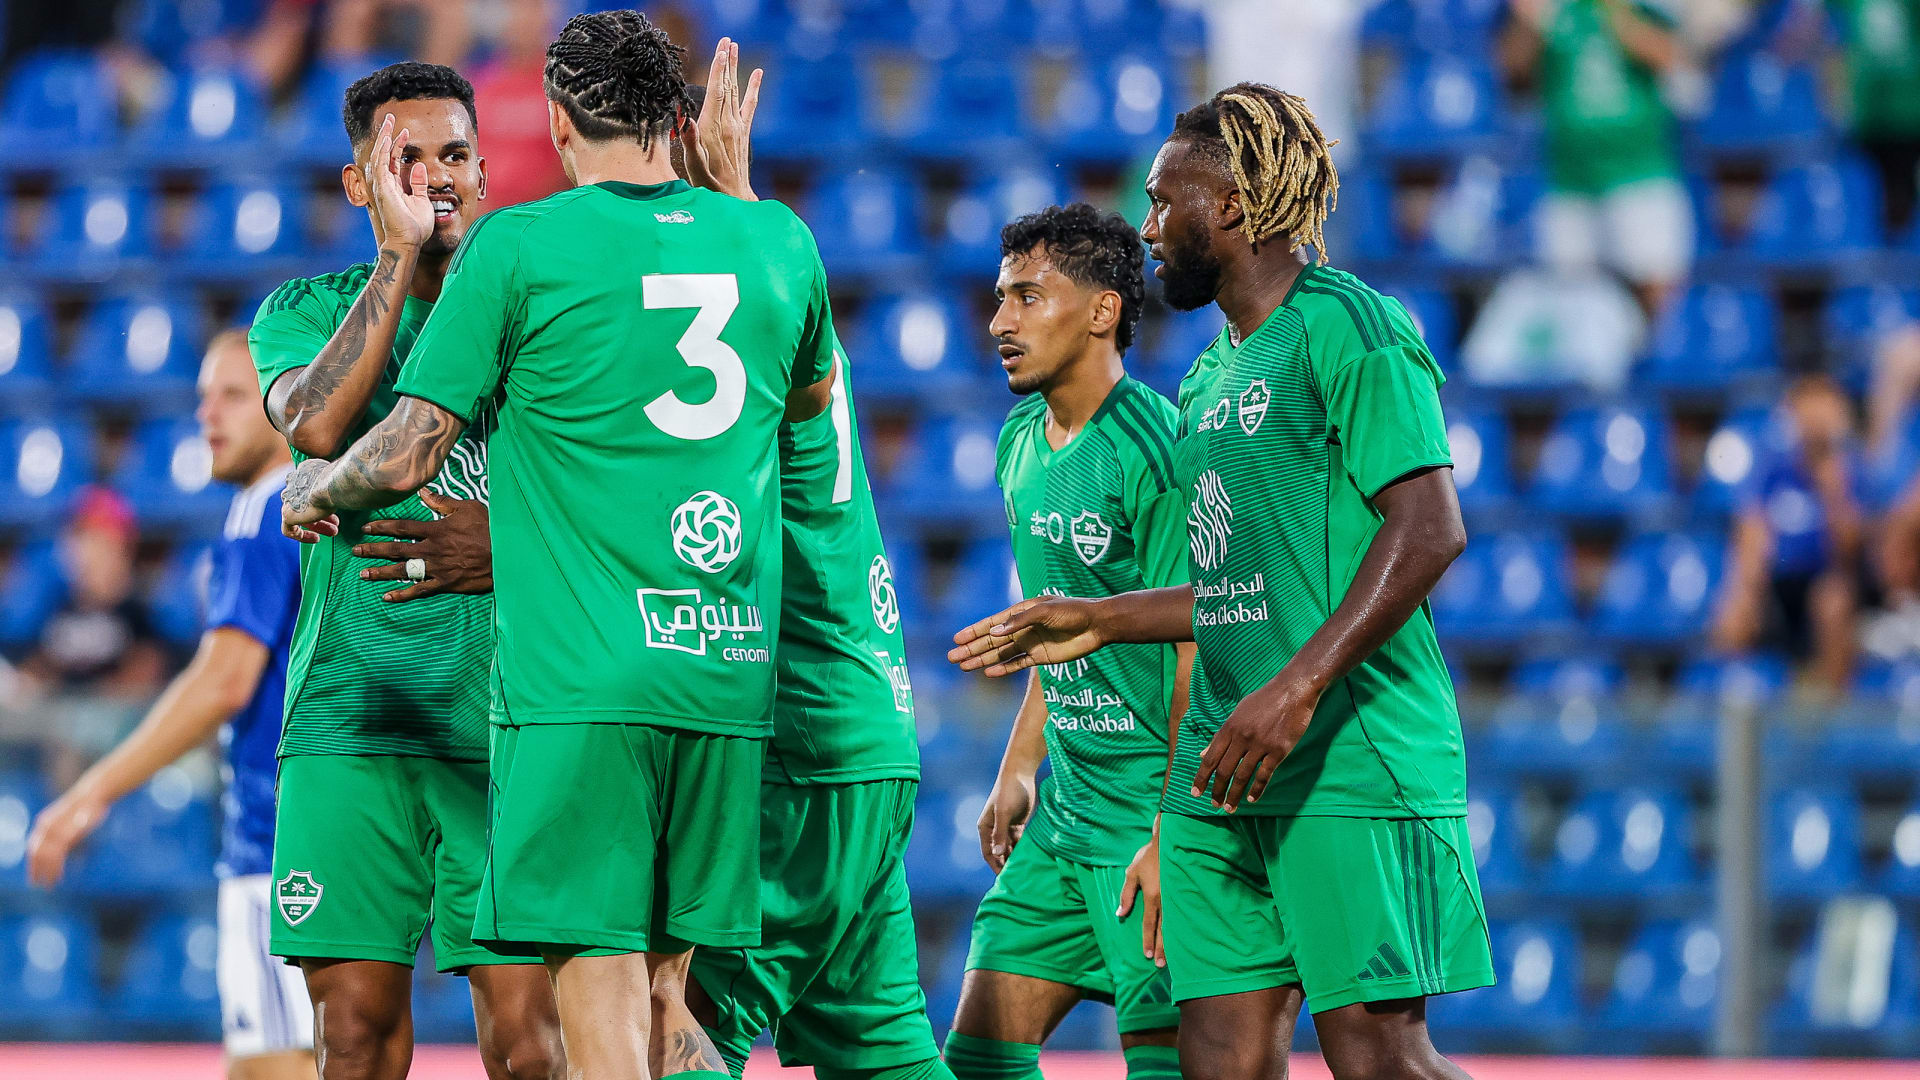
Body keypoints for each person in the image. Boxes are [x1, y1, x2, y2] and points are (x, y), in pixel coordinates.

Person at [278, 13, 837, 1080]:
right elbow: (809, 402)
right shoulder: (778, 239)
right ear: (678, 119)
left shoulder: (523, 247)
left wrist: (323, 486)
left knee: (600, 1001)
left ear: (556, 122)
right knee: (672, 998)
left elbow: (405, 450)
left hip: (582, 683)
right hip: (725, 669)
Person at [950, 84, 1491, 1080]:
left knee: (1377, 1057)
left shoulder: (1349, 324)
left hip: (1348, 754)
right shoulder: (1206, 379)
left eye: (1164, 202)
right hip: (1222, 771)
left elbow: (1430, 530)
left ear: (1234, 203)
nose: (1149, 227)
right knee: (1216, 1062)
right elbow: (1238, 591)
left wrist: (1296, 687)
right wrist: (1102, 617)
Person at [247, 61, 563, 1080]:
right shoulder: (302, 311)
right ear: (359, 184)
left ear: (486, 172)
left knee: (533, 1046)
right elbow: (314, 425)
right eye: (405, 161)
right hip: (350, 720)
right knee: (354, 1040)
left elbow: (611, 504)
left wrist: (507, 544)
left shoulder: (542, 321)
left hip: (506, 724)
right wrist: (396, 254)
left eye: (455, 155)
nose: (436, 179)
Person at [25, 329, 312, 1080]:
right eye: (202, 398)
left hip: (278, 843)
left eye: (232, 396)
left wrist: (90, 793)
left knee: (277, 1066)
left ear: (287, 404)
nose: (206, 415)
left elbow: (223, 681)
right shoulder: (312, 506)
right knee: (264, 1065)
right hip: (304, 836)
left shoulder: (266, 509)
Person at [945, 204, 1189, 1080]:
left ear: (1101, 311)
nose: (998, 322)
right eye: (999, 297)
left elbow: (1202, 638)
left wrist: (1174, 833)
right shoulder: (1018, 441)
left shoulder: (1155, 446)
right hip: (1065, 820)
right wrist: (1020, 764)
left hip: (1150, 819)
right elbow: (1061, 634)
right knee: (978, 1058)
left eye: (1027, 296)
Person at [1501, 0, 1695, 313]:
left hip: (1638, 172)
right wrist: (1528, 21)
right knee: (1567, 299)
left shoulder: (1640, 7)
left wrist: (1615, 12)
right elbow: (1512, 70)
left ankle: (1660, 347)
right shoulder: (1557, 10)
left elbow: (1669, 57)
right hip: (1569, 178)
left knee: (1656, 288)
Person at [1711, 375, 1866, 695]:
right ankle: (1735, 706)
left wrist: (1832, 489)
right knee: (1735, 611)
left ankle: (1832, 708)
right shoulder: (1772, 468)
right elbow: (1751, 528)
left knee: (1833, 602)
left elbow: (1849, 550)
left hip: (1824, 582)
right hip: (1777, 585)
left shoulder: (1851, 470)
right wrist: (1744, 590)